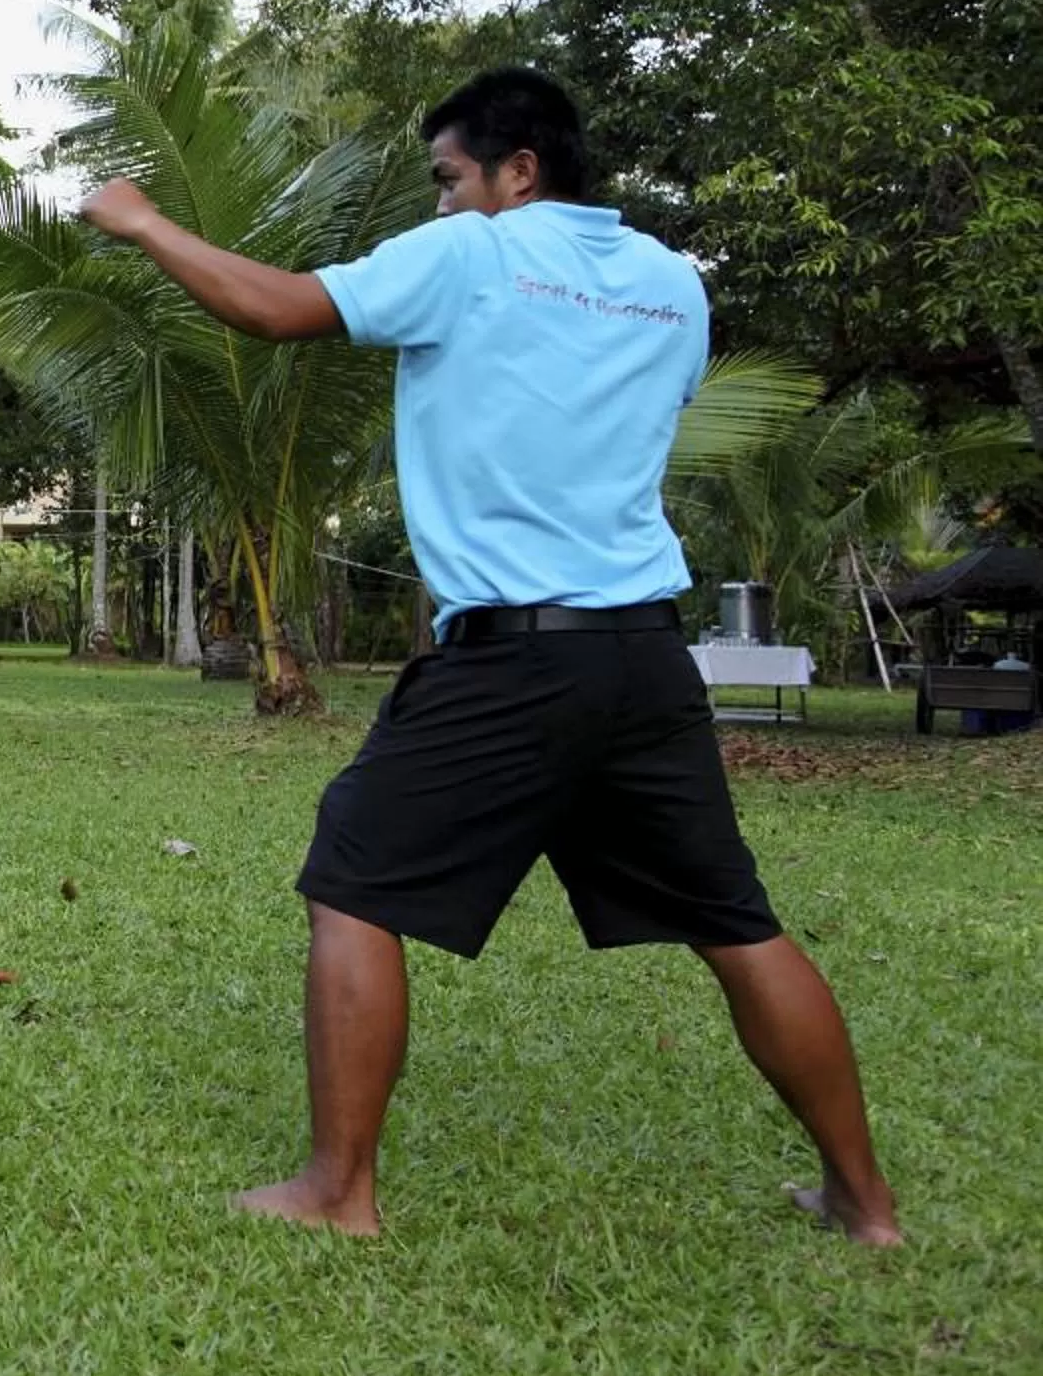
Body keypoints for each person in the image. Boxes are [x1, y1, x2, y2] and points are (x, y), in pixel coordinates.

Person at [79, 66, 899, 1244]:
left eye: (450, 177)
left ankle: (338, 1191)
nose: (443, 201)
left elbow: (274, 309)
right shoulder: (673, 284)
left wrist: (144, 221)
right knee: (736, 921)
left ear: (519, 171)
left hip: (516, 652)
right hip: (644, 654)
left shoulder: (473, 252)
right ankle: (865, 1203)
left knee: (353, 877)